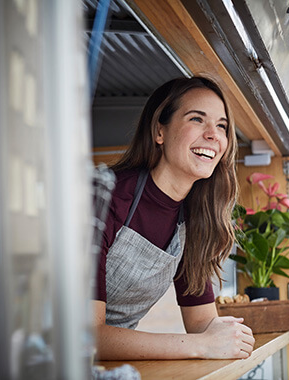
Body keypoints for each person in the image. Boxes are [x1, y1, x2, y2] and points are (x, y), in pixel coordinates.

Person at [93, 76, 254, 360]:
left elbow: (201, 322)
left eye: (222, 126)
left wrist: (230, 333)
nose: (213, 135)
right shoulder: (104, 198)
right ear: (159, 131)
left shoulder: (195, 221)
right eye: (196, 119)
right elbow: (86, 336)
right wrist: (202, 346)